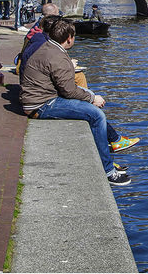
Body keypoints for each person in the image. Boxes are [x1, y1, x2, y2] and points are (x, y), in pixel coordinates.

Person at [20, 18, 134, 186]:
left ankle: (109, 148)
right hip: (42, 105)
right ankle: (108, 171)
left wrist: (88, 95)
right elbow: (69, 91)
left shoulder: (48, 48)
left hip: (36, 99)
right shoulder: (59, 57)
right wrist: (93, 99)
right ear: (69, 38)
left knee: (88, 98)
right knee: (97, 115)